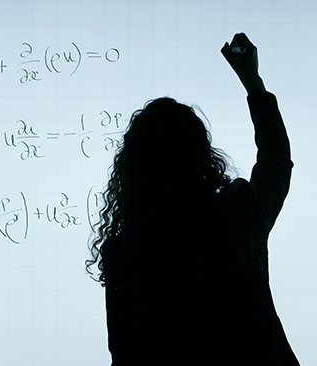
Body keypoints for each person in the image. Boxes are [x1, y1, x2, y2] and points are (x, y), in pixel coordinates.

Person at [85, 33, 300, 365]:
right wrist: (252, 81)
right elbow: (275, 162)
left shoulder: (124, 255)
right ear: (203, 158)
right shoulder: (239, 217)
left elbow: (125, 354)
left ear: (133, 170)